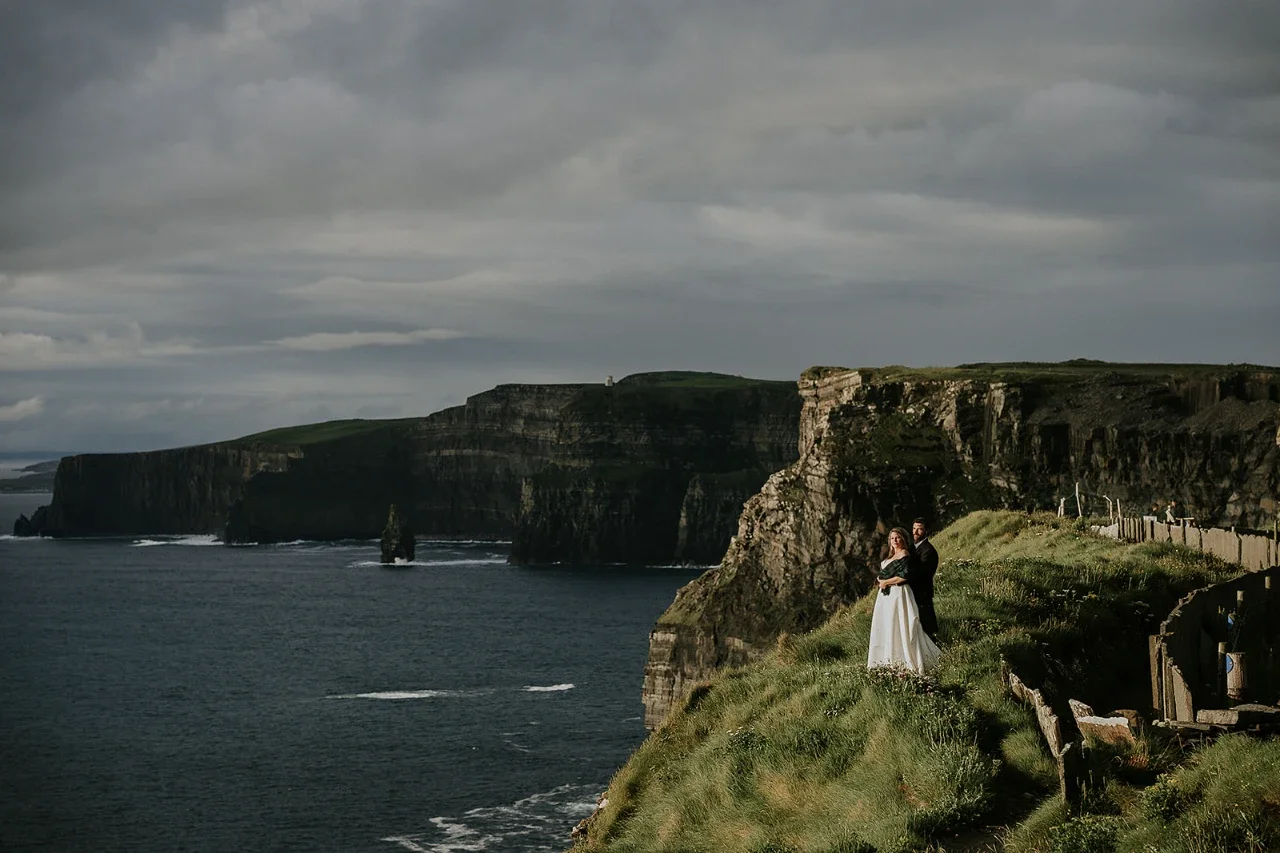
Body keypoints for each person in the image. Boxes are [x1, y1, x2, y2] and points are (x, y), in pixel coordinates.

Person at [867, 527, 941, 674]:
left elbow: (904, 576)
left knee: (901, 624)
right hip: (885, 597)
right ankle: (888, 660)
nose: (895, 540)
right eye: (892, 538)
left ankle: (907, 659)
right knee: (888, 625)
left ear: (903, 539)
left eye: (898, 537)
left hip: (899, 593)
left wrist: (885, 582)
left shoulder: (904, 554)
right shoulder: (890, 557)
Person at [911, 518, 940, 643]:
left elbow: (921, 575)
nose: (915, 532)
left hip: (922, 594)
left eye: (920, 529)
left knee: (926, 628)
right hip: (912, 593)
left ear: (926, 531)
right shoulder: (911, 547)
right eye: (914, 528)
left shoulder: (928, 551)